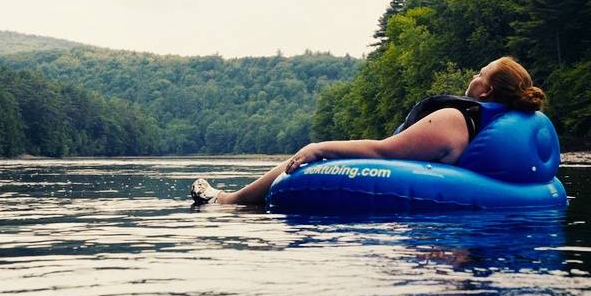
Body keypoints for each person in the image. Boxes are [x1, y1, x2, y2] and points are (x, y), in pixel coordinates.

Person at [189, 56, 545, 205]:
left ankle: (230, 202)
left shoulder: (454, 119)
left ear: (486, 91)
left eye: (479, 74)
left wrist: (320, 146)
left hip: (422, 221)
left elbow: (383, 151)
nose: (473, 77)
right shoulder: (493, 125)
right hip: (456, 216)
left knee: (307, 156)